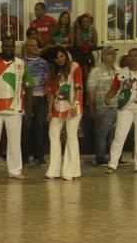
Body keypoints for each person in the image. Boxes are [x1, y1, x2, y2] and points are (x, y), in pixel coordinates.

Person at [0, 36, 34, 180]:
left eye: (11, 46)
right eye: (6, 46)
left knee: (14, 141)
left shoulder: (21, 64)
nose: (8, 48)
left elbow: (29, 88)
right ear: (1, 47)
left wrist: (29, 110)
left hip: (15, 109)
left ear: (14, 47)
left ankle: (15, 171)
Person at [44, 48, 83, 180]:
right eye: (56, 58)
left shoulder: (75, 67)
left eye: (61, 56)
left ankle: (71, 171)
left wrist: (75, 105)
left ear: (66, 56)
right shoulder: (53, 71)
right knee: (53, 134)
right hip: (57, 106)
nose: (59, 60)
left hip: (73, 106)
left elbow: (79, 88)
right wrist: (49, 110)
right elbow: (50, 92)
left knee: (71, 136)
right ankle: (54, 170)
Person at [88, 46, 119, 166]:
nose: (113, 56)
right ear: (104, 56)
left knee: (115, 134)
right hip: (103, 107)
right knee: (102, 134)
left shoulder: (117, 70)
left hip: (117, 106)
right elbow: (91, 91)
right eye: (110, 54)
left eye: (114, 54)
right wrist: (92, 108)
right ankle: (100, 157)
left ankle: (115, 157)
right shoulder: (96, 71)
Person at [22, 37, 49, 165]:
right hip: (27, 98)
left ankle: (40, 157)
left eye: (36, 45)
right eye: (32, 45)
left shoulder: (44, 63)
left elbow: (47, 80)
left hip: (41, 97)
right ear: (26, 48)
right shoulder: (21, 63)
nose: (35, 48)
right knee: (26, 128)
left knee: (40, 127)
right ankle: (25, 158)